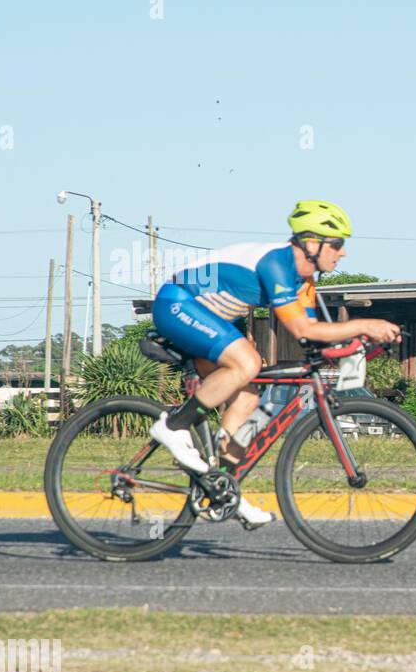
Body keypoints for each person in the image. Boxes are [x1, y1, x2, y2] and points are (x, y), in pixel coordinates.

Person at [148, 200, 400, 527]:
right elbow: (302, 329)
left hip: (208, 317)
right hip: (177, 304)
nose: (343, 252)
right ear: (312, 244)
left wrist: (359, 346)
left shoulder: (305, 282)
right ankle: (173, 425)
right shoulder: (277, 265)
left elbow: (311, 337)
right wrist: (364, 325)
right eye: (337, 244)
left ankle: (223, 489)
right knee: (248, 362)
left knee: (250, 397)